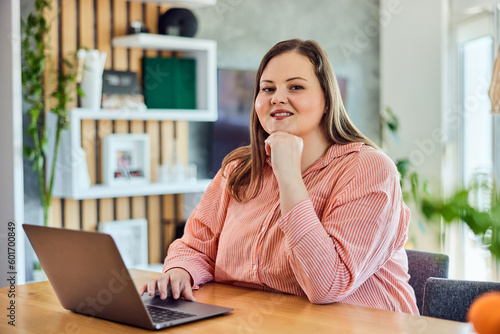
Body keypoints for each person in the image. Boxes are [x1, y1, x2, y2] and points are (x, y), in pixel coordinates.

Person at [139, 39, 419, 314]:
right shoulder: (239, 170)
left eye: (295, 86)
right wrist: (180, 270)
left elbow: (327, 285)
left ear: (326, 100)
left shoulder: (368, 169)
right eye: (267, 88)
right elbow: (195, 246)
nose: (277, 97)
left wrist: (288, 175)